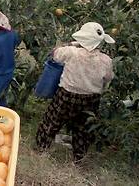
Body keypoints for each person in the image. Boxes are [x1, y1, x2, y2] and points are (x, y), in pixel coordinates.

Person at [35, 22, 115, 162]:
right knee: (83, 128)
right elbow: (108, 78)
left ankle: (42, 148)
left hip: (67, 94)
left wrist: (71, 44)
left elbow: (54, 54)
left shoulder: (71, 52)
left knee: (52, 120)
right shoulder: (106, 60)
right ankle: (79, 157)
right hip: (91, 98)